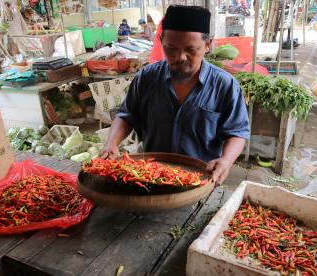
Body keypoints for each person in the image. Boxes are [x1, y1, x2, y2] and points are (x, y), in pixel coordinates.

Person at [100, 5, 250, 185]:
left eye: (191, 50)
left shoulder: (225, 85)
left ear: (208, 45)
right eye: (171, 48)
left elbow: (237, 131)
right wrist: (111, 143)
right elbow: (127, 115)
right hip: (150, 178)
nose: (180, 57)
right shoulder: (146, 78)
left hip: (200, 181)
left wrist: (225, 161)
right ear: (162, 40)